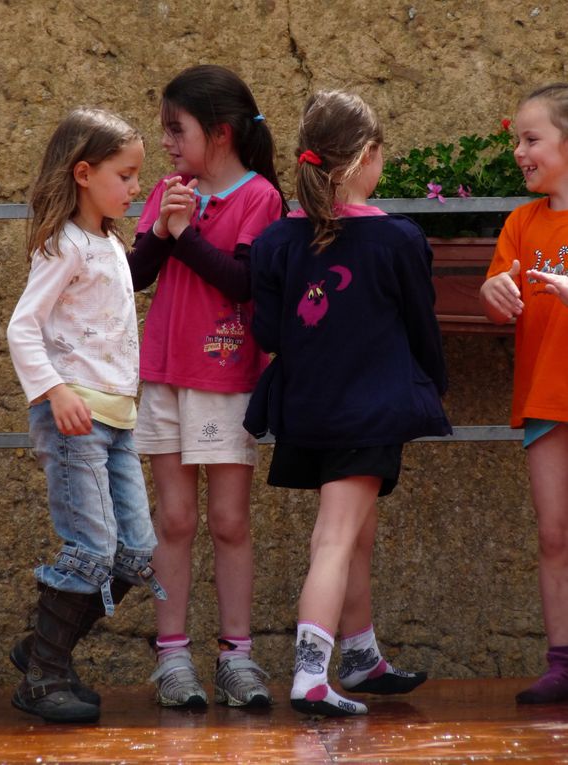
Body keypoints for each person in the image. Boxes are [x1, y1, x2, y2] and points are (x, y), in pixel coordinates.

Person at [246, 90, 451, 717]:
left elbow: (270, 335)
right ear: (368, 157)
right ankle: (311, 675)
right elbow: (422, 323)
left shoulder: (278, 240)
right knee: (335, 538)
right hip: (368, 408)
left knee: (355, 534)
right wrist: (431, 386)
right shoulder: (397, 239)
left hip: (310, 409)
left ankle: (361, 657)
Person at [126, 64, 288, 709]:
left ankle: (236, 657)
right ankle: (172, 660)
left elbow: (242, 282)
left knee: (227, 521)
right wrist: (165, 232)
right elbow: (135, 274)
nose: (166, 143)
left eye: (177, 129)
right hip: (164, 372)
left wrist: (184, 234)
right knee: (174, 518)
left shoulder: (261, 198)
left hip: (224, 378)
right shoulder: (168, 188)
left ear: (219, 133)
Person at [6, 107, 162, 723]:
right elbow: (23, 328)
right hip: (74, 420)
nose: (133, 189)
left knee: (137, 552)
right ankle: (43, 676)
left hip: (116, 421)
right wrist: (54, 391)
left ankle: (45, 648)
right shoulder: (63, 245)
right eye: (125, 177)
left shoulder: (109, 244)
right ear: (83, 173)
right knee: (92, 547)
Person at [480, 82, 568, 705]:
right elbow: (495, 296)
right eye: (518, 139)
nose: (519, 151)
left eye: (531, 139)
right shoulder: (520, 221)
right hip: (545, 401)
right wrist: (494, 296)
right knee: (553, 533)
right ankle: (562, 660)